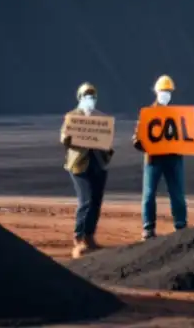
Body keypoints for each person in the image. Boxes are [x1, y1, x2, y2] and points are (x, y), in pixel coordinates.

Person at [61, 82, 114, 259]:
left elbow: (107, 140)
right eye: (87, 95)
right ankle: (79, 237)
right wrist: (73, 134)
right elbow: (64, 139)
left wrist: (108, 150)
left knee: (96, 201)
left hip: (98, 163)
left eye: (93, 96)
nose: (90, 99)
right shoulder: (72, 117)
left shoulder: (101, 118)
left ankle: (90, 236)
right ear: (80, 98)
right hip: (79, 164)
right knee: (86, 200)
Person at [132, 74, 188, 240]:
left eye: (169, 91)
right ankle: (148, 228)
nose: (166, 94)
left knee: (177, 194)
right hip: (154, 160)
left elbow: (186, 136)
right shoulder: (147, 114)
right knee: (149, 195)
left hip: (173, 160)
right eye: (164, 91)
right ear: (156, 92)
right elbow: (137, 138)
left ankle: (181, 225)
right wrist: (144, 145)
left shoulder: (177, 115)